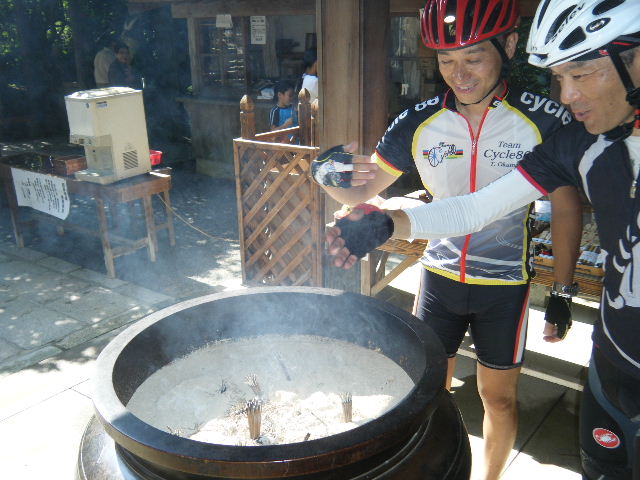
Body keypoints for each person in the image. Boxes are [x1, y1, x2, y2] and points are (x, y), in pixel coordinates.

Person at [323, 1, 640, 478]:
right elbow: (472, 208)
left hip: (506, 284)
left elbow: (566, 208)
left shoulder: (547, 121)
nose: (567, 94)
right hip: (453, 282)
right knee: (426, 391)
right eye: (446, 60)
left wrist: (562, 289)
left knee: (500, 400)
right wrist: (373, 211)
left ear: (507, 47)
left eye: (581, 73)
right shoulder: (576, 140)